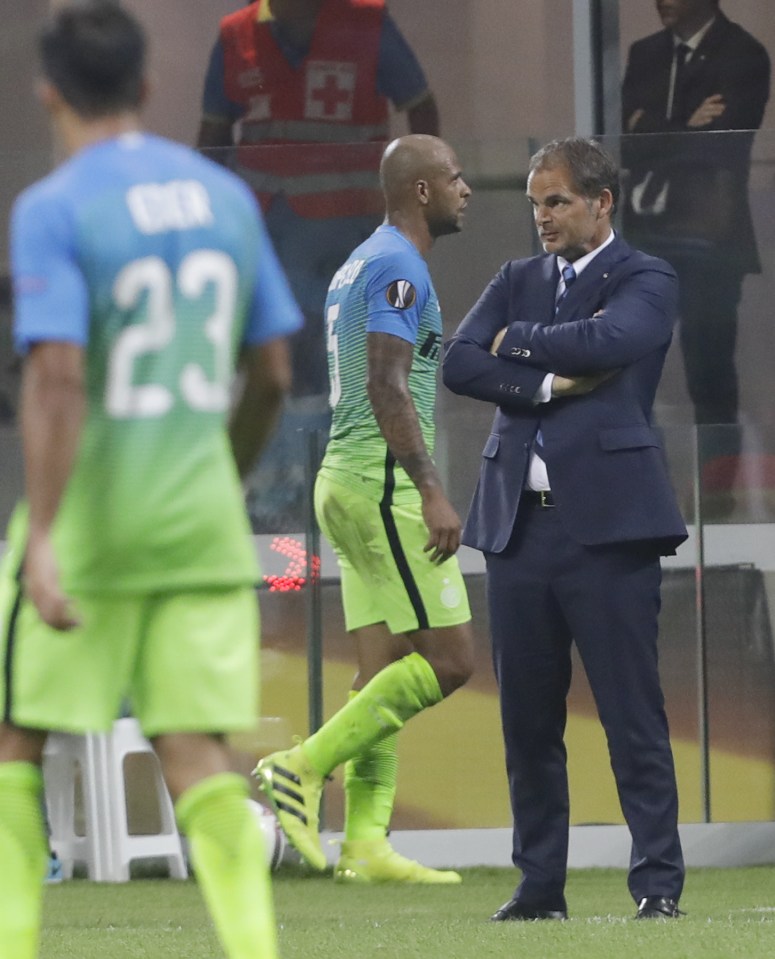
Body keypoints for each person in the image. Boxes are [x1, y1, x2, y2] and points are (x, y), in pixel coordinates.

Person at [0, 4, 302, 958]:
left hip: (87, 521)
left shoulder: (51, 208)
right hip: (196, 520)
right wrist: (223, 470)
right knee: (195, 752)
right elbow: (274, 375)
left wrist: (44, 534)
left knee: (17, 739)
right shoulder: (225, 198)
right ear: (147, 86)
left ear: (49, 90)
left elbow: (54, 375)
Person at [443, 137, 688, 921]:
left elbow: (616, 341)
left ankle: (656, 883)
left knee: (630, 715)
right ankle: (539, 886)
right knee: (526, 721)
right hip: (518, 531)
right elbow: (457, 361)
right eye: (533, 203)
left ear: (599, 202)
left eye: (555, 201)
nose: (541, 217)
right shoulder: (517, 277)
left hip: (610, 531)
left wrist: (512, 345)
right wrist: (547, 375)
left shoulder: (645, 276)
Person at [255, 134, 474, 883]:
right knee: (449, 661)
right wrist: (431, 486)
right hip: (381, 483)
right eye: (453, 178)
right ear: (419, 190)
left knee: (381, 670)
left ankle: (366, 842)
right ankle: (299, 764)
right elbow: (386, 382)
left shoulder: (359, 261)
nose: (465, 188)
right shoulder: (398, 267)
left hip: (343, 480)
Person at [197, 0, 440, 530]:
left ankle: (344, 491)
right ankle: (282, 497)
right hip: (266, 229)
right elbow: (212, 135)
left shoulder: (366, 22)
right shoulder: (236, 34)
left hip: (350, 229)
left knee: (347, 360)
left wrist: (419, 198)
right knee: (280, 357)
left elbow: (421, 106)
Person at [621, 0, 770, 457]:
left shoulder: (742, 53)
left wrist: (657, 131)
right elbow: (628, 146)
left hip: (710, 237)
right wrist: (688, 126)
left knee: (709, 370)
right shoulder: (646, 53)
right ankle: (646, 481)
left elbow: (721, 145)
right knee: (631, 364)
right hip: (647, 233)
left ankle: (719, 492)